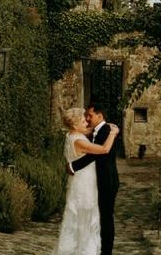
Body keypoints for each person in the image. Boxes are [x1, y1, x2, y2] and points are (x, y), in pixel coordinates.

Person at [54, 107, 119, 255]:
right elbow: (103, 149)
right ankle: (85, 250)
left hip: (84, 181)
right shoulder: (78, 141)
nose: (87, 123)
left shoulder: (72, 135)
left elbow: (92, 131)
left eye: (87, 118)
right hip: (84, 185)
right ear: (75, 125)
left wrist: (104, 126)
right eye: (83, 121)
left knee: (83, 219)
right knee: (86, 219)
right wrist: (113, 133)